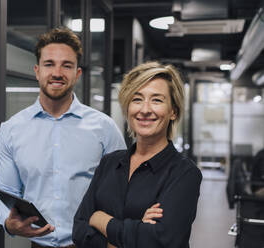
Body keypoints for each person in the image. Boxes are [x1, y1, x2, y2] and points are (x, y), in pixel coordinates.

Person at [0, 27, 126, 248]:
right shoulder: (11, 130)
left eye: (67, 65)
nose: (57, 72)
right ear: (37, 71)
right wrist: (8, 223)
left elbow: (122, 190)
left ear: (78, 73)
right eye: (49, 64)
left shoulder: (105, 128)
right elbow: (7, 190)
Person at [73, 61, 202, 248]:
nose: (145, 110)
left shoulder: (184, 173)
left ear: (173, 111)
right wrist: (137, 229)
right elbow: (79, 228)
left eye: (157, 100)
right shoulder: (109, 163)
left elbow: (160, 240)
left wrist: (101, 219)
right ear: (127, 108)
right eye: (137, 99)